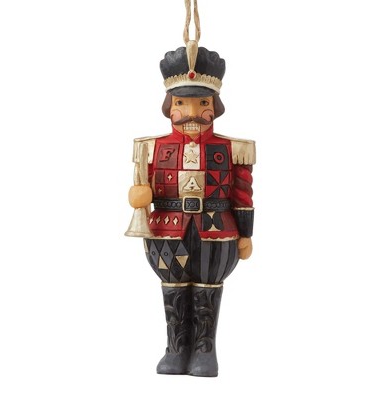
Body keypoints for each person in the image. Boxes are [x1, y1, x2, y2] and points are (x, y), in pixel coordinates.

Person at [128, 43, 255, 377]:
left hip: (218, 229)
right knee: (173, 288)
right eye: (182, 103)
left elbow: (242, 194)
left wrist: (246, 234)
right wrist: (138, 196)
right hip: (166, 229)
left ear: (215, 106)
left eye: (202, 103)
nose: (192, 112)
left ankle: (204, 351)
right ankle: (175, 349)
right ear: (169, 106)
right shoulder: (152, 148)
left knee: (207, 288)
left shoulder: (232, 149)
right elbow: (144, 187)